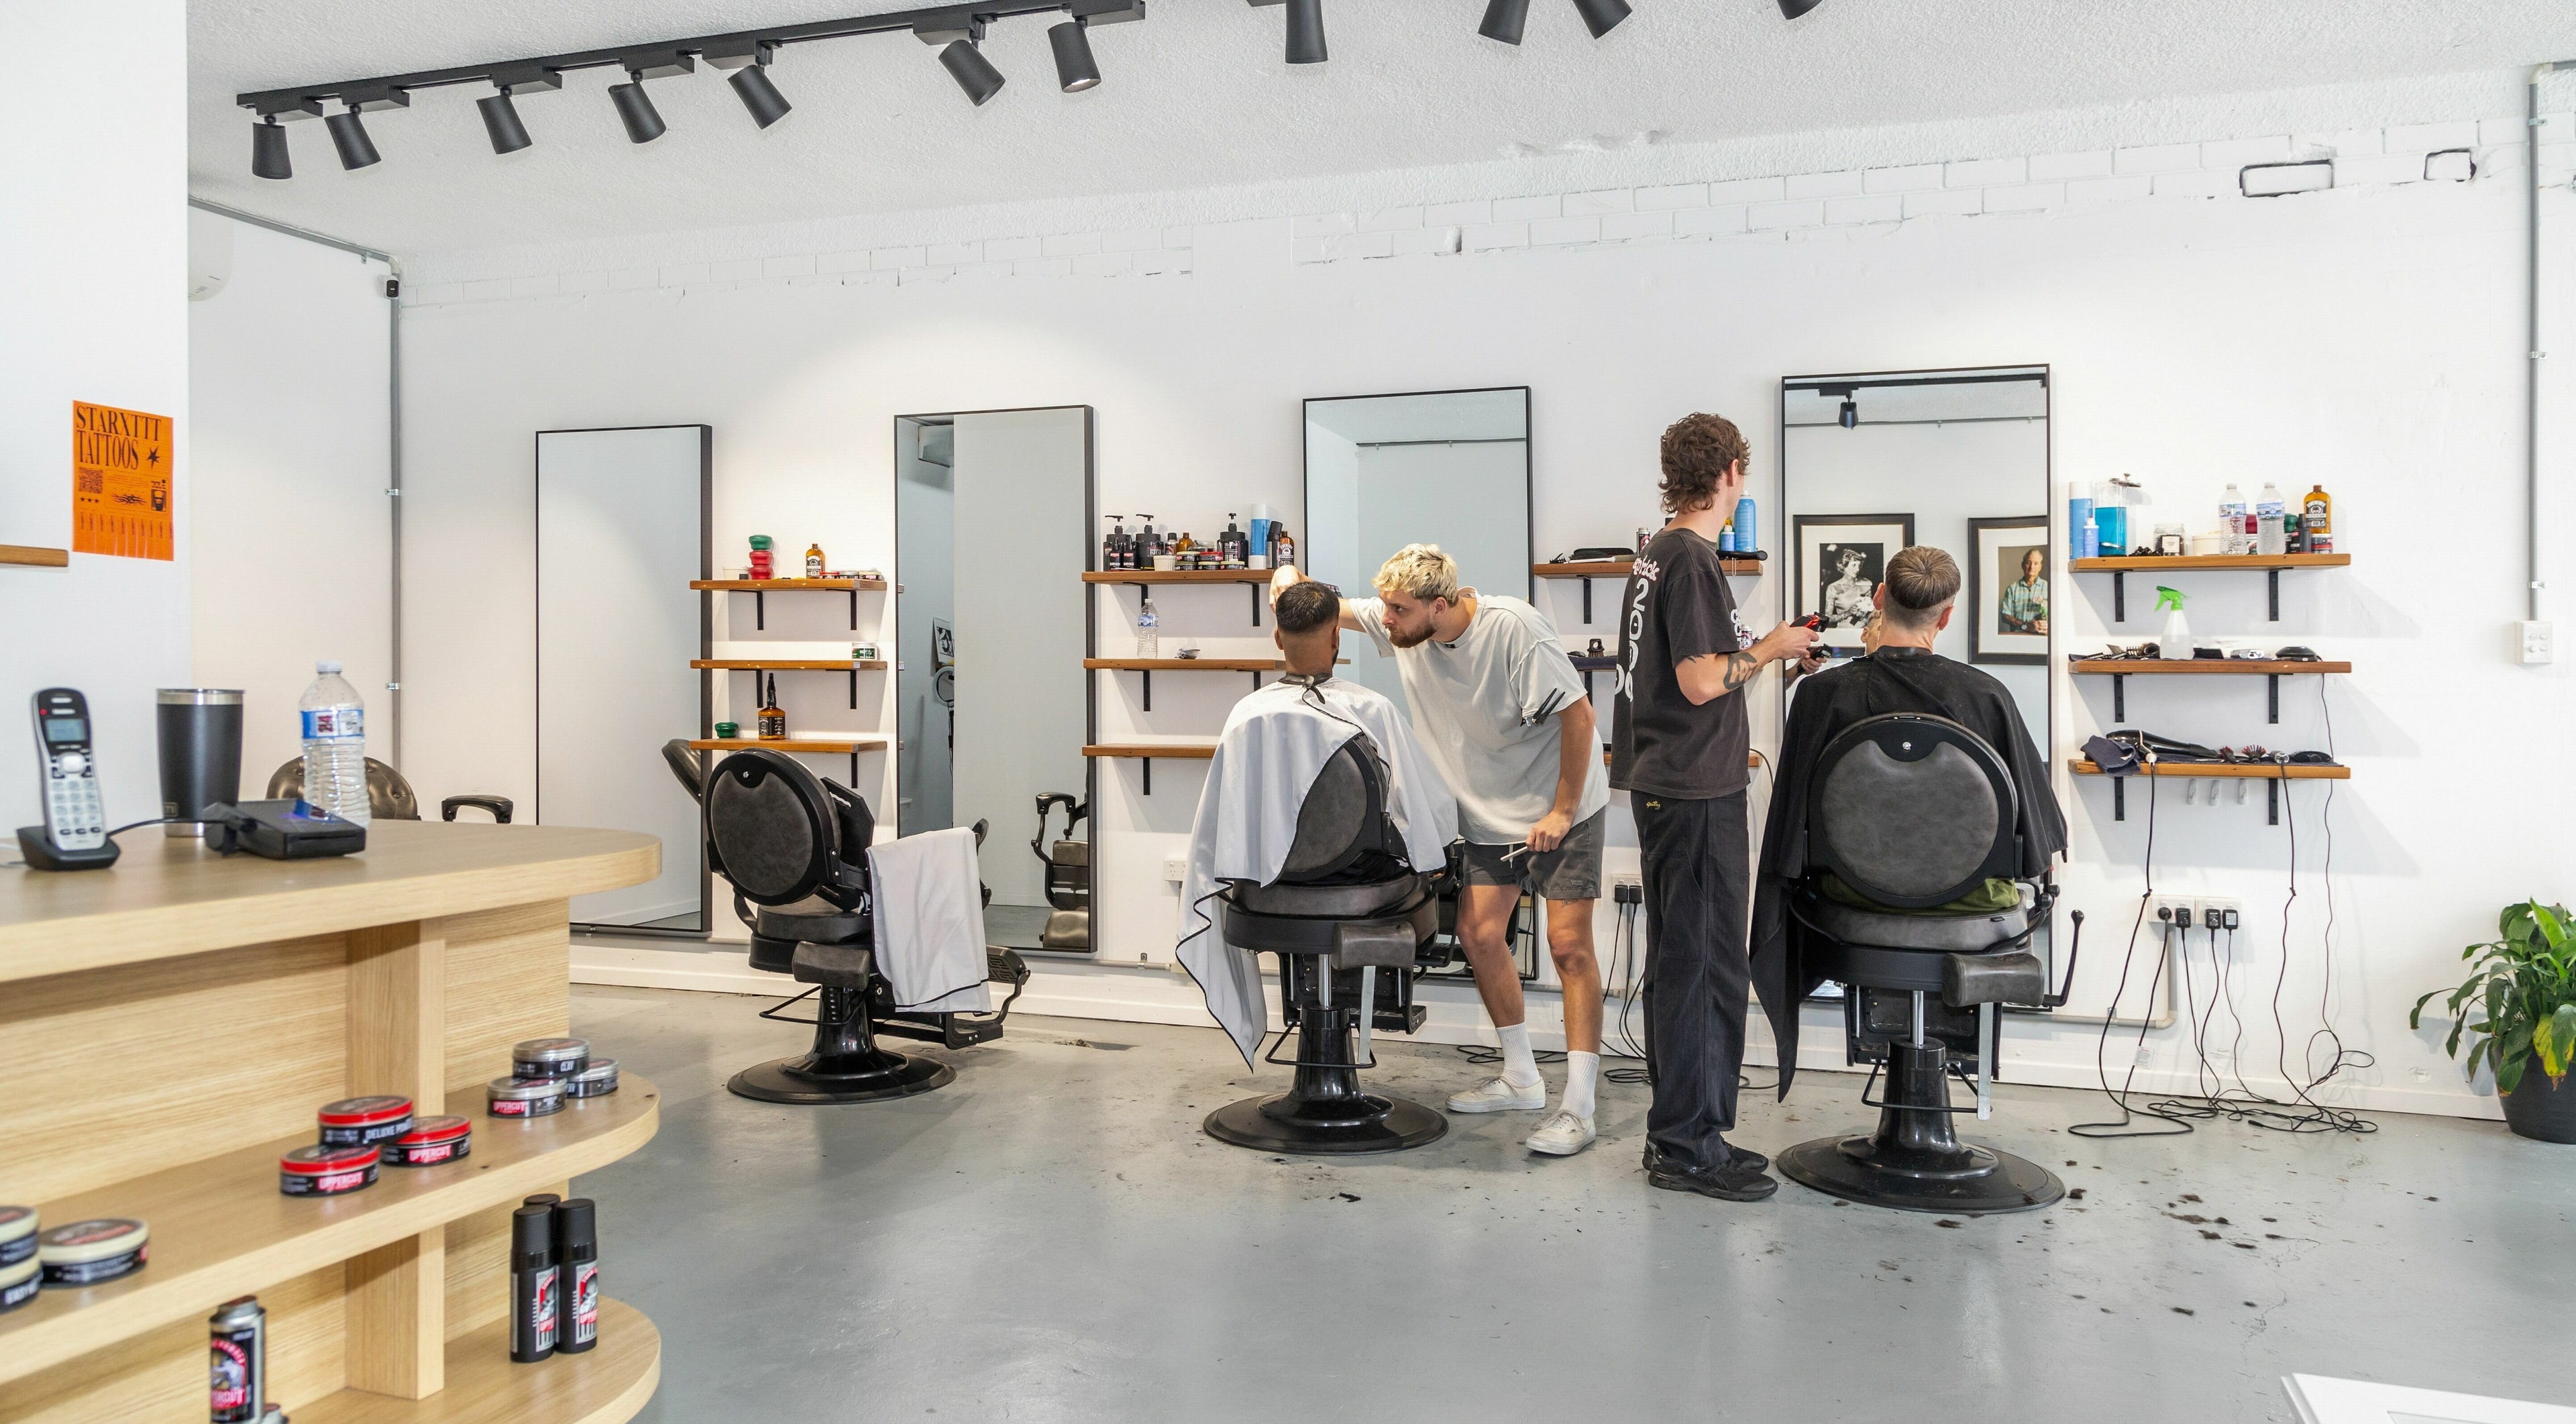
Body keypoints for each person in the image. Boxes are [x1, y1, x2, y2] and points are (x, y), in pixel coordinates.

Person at [1271, 544, 1610, 1155]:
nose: (1386, 620)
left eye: (1398, 609)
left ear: (1440, 604)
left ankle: (1579, 1108)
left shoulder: (1515, 629)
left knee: (1568, 947)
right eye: (1386, 607)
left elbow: (1580, 717)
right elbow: (1323, 604)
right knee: (1480, 935)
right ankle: (1522, 1077)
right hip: (1490, 810)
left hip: (1561, 800)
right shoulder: (1407, 623)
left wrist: (1562, 811)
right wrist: (1287, 575)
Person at [1747, 545, 2069, 1091]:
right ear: (1946, 616)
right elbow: (2038, 838)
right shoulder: (1987, 696)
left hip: (1851, 901)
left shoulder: (1821, 695)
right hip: (1968, 909)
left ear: (1878, 597)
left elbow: (1788, 836)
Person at [1612, 413, 1822, 1203]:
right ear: (1730, 471)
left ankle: (1685, 1132)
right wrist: (1771, 647)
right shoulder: (1692, 559)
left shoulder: (1656, 555)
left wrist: (1765, 661)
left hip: (1671, 781)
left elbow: (1683, 676)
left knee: (1684, 964)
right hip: (1695, 791)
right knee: (1705, 968)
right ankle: (1687, 1147)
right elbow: (1701, 680)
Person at [1174, 580, 1457, 1068]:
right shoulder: (1372, 711)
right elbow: (1426, 811)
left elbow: (1218, 830)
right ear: (1336, 638)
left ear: (1277, 638)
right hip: (1363, 887)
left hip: (1270, 888)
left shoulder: (1248, 716)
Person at [1821, 547, 1874, 628]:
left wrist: (1865, 612)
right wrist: (1848, 613)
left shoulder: (1865, 584)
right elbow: (1828, 619)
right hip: (1843, 630)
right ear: (1844, 566)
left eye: (1859, 566)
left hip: (1864, 630)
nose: (1858, 569)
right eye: (1854, 565)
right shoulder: (1833, 588)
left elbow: (1871, 613)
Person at [1999, 547, 2049, 635]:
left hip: (2041, 637)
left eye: (2036, 563)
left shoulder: (2049, 588)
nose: (2032, 567)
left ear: (2040, 567)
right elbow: (2005, 616)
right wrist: (2025, 625)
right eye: (2028, 563)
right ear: (2023, 565)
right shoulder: (2012, 589)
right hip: (2017, 638)